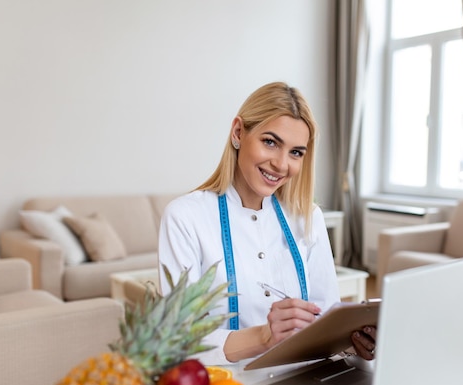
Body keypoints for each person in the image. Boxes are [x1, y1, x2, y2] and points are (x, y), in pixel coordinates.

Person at [158, 81, 376, 365]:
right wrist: (264, 337)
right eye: (270, 142)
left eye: (296, 152)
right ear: (238, 132)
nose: (281, 164)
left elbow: (325, 315)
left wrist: (351, 342)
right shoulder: (185, 217)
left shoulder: (307, 217)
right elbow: (178, 341)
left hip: (303, 379)